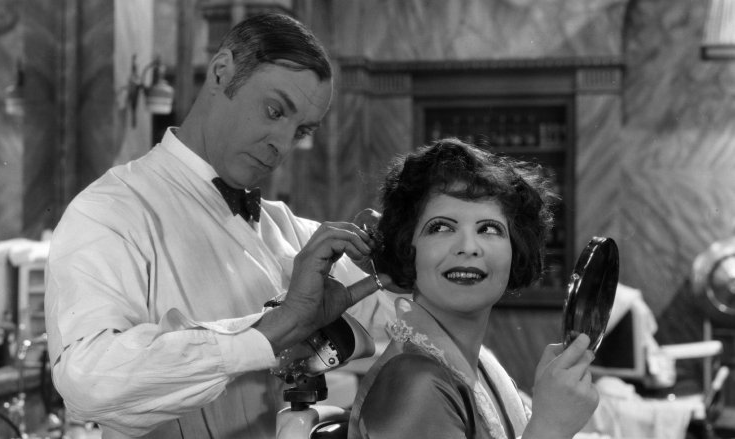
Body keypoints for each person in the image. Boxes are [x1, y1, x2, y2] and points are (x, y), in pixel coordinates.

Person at [45, 13, 393, 439]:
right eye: (274, 110)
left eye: (301, 130)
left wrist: (399, 258)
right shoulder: (111, 211)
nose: (282, 145)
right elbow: (87, 381)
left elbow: (397, 321)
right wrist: (271, 330)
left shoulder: (289, 230)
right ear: (221, 72)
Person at [348, 138, 600, 439]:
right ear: (407, 248)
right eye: (441, 227)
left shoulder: (482, 367)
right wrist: (550, 428)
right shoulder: (415, 381)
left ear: (514, 250)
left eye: (489, 229)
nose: (468, 247)